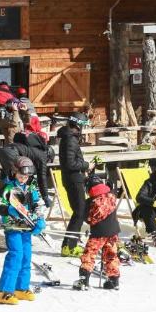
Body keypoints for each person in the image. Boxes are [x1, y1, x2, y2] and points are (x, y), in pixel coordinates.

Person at [0, 156, 46, 305]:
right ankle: (5, 292)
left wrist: (40, 220)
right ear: (14, 172)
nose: (23, 179)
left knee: (26, 257)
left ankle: (21, 288)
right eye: (20, 175)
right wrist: (9, 209)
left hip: (27, 227)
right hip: (13, 228)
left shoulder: (32, 186)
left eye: (26, 176)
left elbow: (38, 204)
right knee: (16, 256)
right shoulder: (8, 187)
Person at [74, 180, 122, 291]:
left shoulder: (90, 201)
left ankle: (84, 280)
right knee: (111, 255)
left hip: (98, 233)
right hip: (113, 232)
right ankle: (114, 280)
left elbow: (88, 218)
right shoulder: (112, 196)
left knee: (89, 255)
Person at [58, 113, 92, 257]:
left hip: (73, 178)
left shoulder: (69, 138)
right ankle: (69, 247)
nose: (83, 129)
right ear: (78, 125)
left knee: (79, 212)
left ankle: (69, 244)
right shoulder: (70, 139)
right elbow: (70, 163)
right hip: (73, 179)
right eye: (83, 126)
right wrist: (86, 165)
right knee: (79, 212)